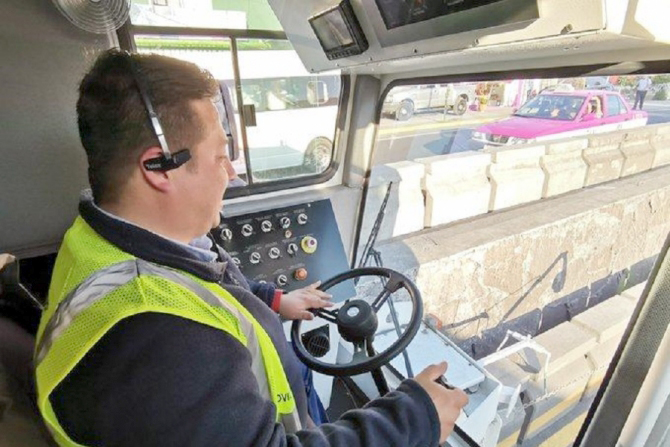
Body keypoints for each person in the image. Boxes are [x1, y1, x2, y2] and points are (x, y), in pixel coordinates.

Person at [34, 49, 468, 447]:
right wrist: (413, 419)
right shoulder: (162, 344)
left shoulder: (103, 240)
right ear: (157, 167)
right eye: (219, 157)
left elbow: (207, 292)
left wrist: (274, 300)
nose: (231, 174)